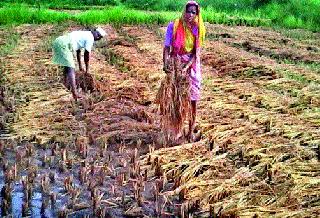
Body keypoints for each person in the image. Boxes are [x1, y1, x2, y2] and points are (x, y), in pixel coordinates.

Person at [162, 1, 205, 142]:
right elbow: (167, 48)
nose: (190, 15)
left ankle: (191, 130)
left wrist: (186, 67)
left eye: (194, 12)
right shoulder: (173, 26)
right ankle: (177, 129)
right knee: (177, 100)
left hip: (191, 66)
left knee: (193, 100)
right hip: (176, 64)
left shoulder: (197, 29)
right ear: (184, 11)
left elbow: (196, 53)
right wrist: (166, 63)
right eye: (189, 11)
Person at [52, 27, 106, 100]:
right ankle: (75, 94)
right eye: (100, 38)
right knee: (71, 69)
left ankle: (65, 83)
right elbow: (86, 55)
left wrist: (80, 66)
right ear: (98, 36)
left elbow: (78, 51)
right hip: (64, 45)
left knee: (66, 65)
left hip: (58, 41)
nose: (98, 40)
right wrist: (87, 70)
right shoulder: (90, 38)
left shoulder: (84, 33)